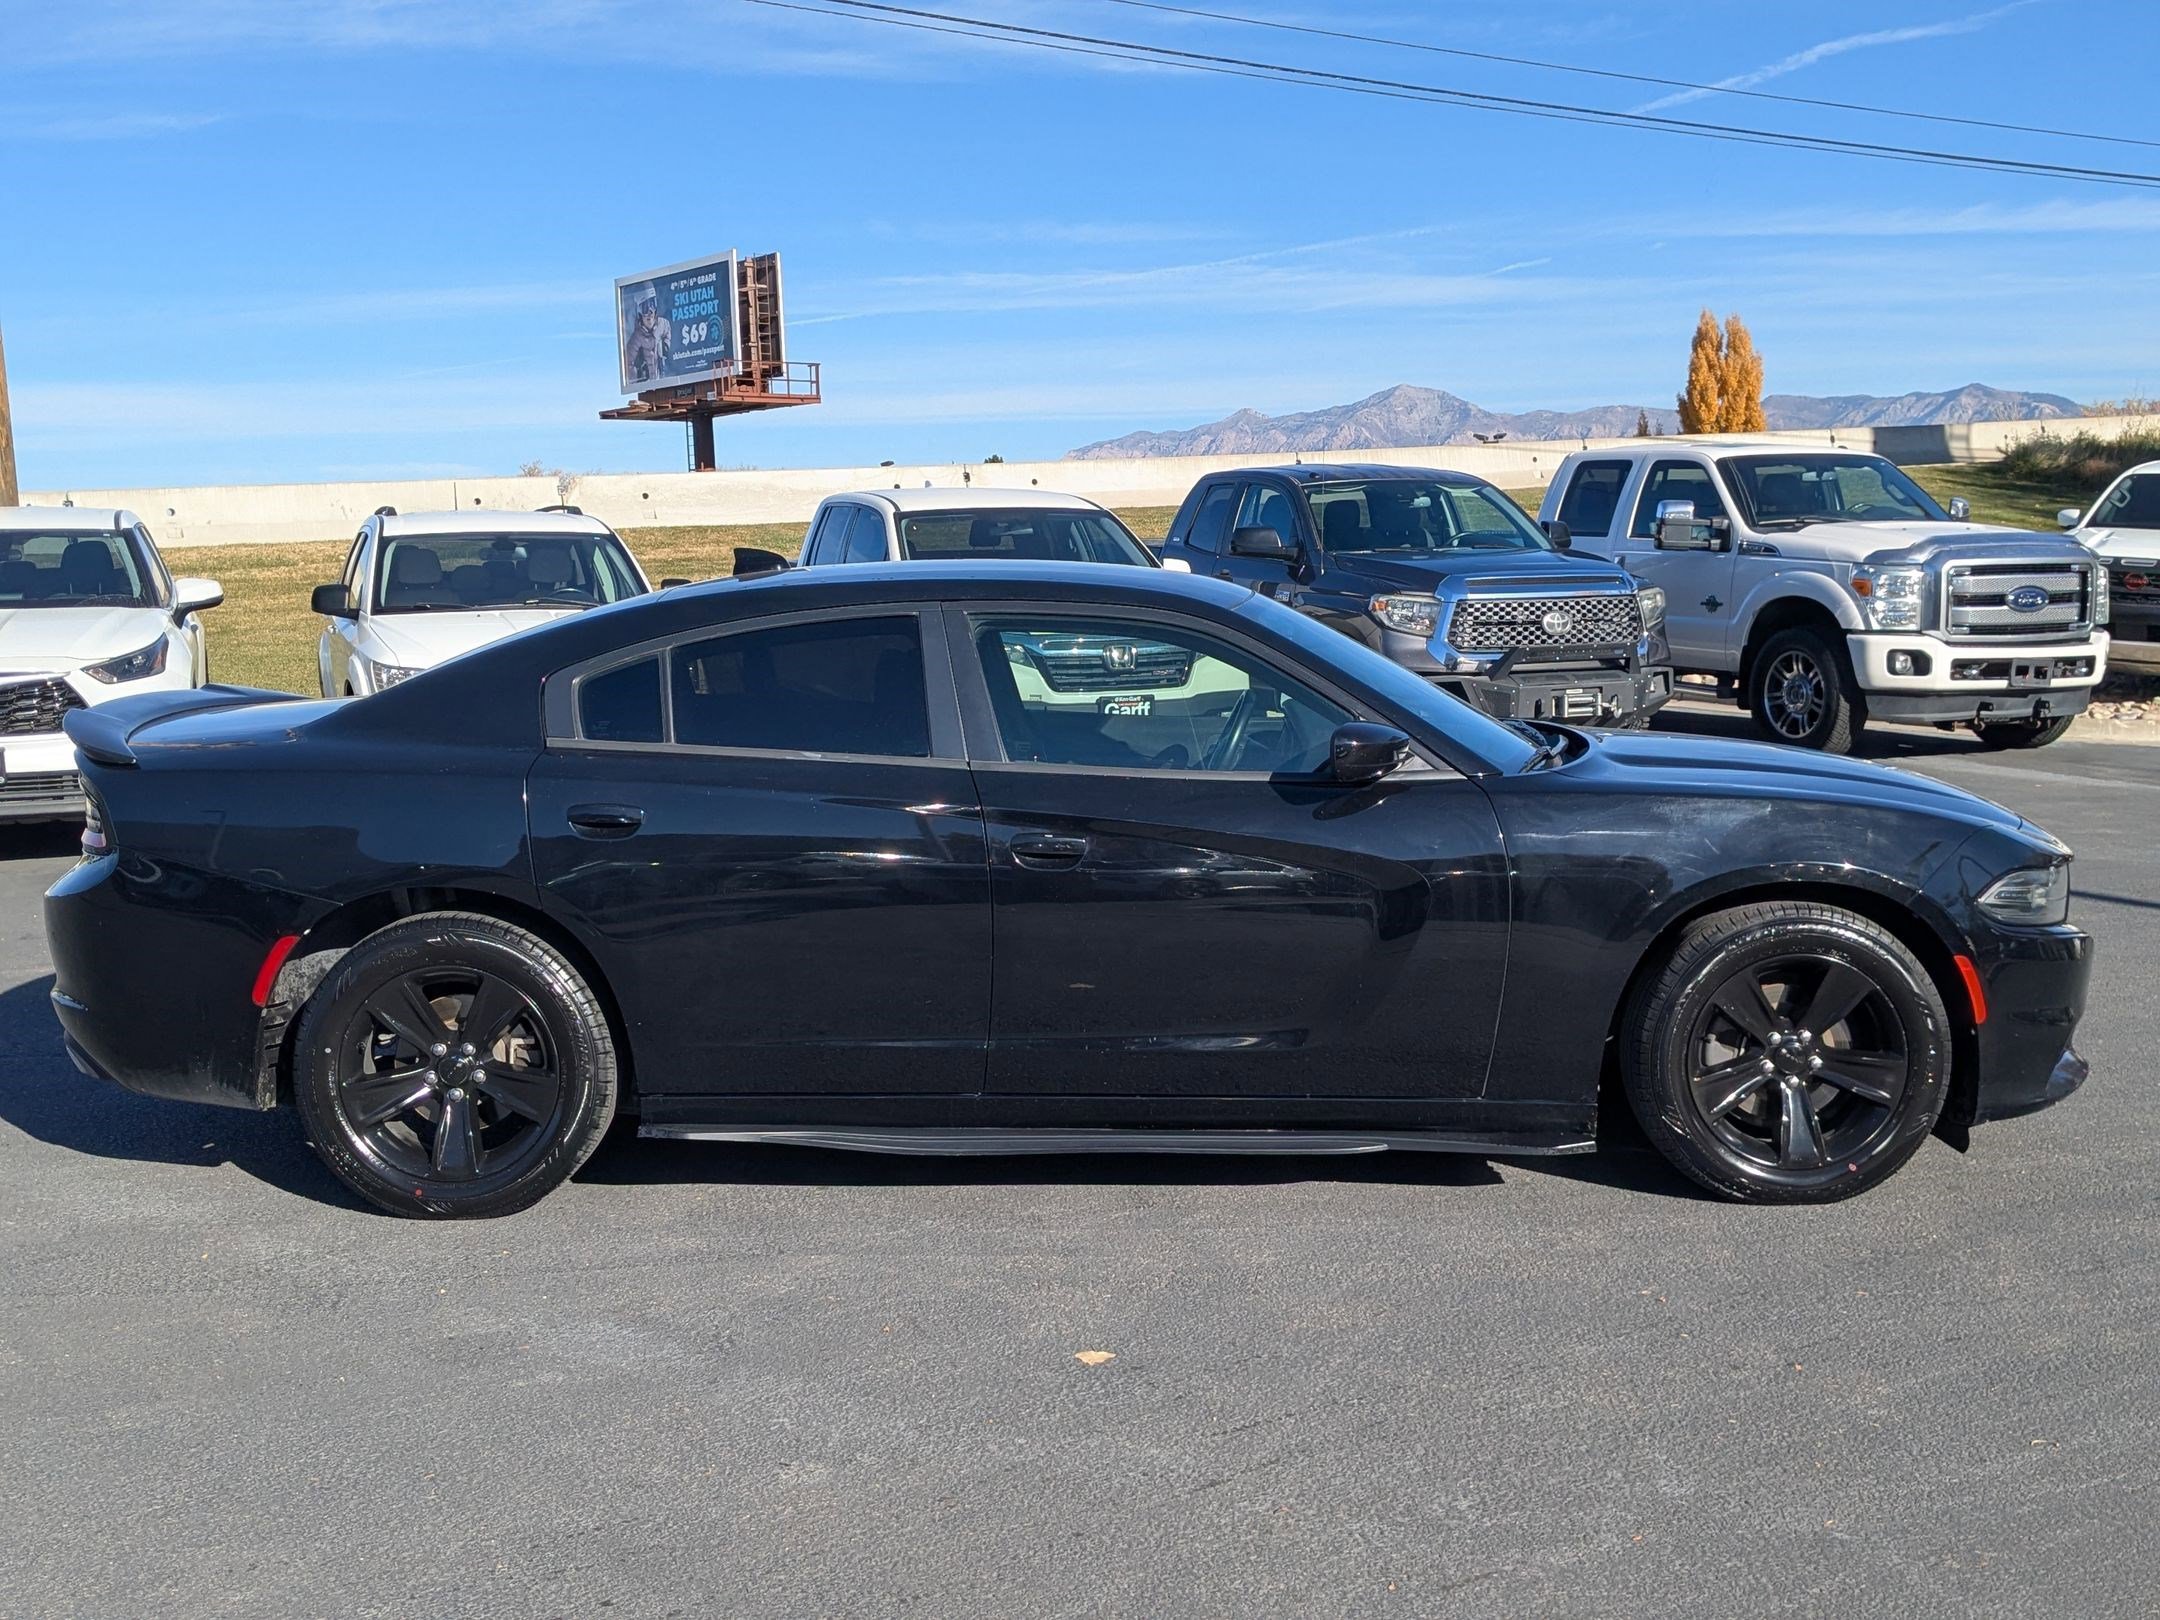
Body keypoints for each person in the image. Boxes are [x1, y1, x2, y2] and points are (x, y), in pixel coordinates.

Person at [624, 293, 670, 384]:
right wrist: (637, 375)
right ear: (639, 313)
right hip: (649, 384)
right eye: (645, 307)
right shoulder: (637, 337)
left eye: (652, 304)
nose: (650, 312)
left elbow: (667, 329)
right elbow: (627, 363)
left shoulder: (662, 324)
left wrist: (666, 345)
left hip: (663, 377)